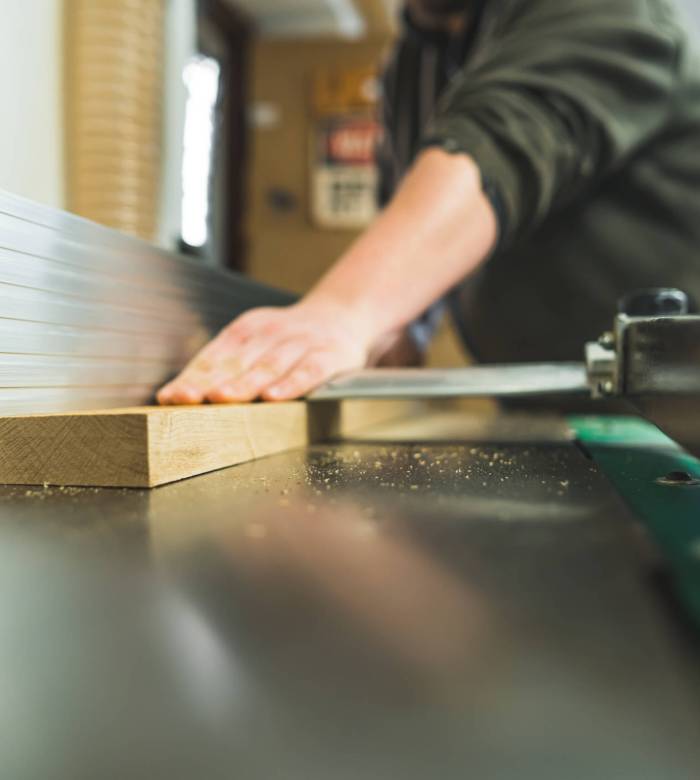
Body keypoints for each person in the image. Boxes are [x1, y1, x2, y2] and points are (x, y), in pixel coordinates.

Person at [158, 0, 700, 406]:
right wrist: (400, 328)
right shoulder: (413, 60)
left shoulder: (611, 7)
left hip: (671, 410)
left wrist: (344, 312)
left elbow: (503, 140)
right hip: (543, 402)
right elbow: (408, 199)